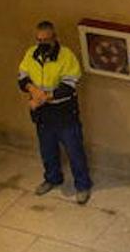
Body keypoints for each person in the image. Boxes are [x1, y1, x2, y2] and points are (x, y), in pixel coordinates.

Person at [17, 20, 93, 205]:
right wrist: (33, 91)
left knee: (74, 151)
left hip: (64, 113)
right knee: (47, 150)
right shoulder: (31, 54)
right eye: (38, 39)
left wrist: (44, 97)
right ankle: (52, 178)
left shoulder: (66, 56)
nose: (42, 43)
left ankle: (82, 186)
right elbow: (22, 77)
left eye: (46, 39)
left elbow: (69, 86)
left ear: (55, 38)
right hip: (43, 115)